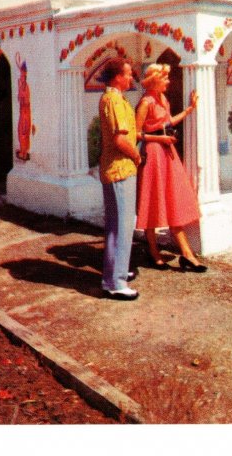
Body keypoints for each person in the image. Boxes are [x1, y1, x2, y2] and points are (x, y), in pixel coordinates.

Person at [135, 63, 207, 272]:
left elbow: (168, 123)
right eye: (164, 78)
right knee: (153, 201)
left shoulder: (163, 100)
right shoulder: (146, 102)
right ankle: (154, 251)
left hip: (167, 153)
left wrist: (189, 110)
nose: (168, 81)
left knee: (173, 199)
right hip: (154, 153)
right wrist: (159, 139)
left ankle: (187, 254)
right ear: (154, 80)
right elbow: (136, 133)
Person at [99, 57, 142, 300]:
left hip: (118, 168)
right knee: (122, 225)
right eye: (127, 74)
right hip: (120, 168)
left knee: (119, 225)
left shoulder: (115, 98)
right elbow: (120, 139)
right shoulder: (113, 100)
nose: (131, 78)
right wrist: (136, 154)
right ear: (117, 76)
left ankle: (116, 273)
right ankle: (116, 281)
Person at [16, 60, 32, 161]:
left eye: (23, 73)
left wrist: (21, 97)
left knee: (23, 131)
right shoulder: (22, 84)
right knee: (22, 131)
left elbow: (25, 100)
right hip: (24, 110)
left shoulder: (25, 85)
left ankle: (24, 152)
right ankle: (23, 151)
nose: (21, 75)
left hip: (25, 110)